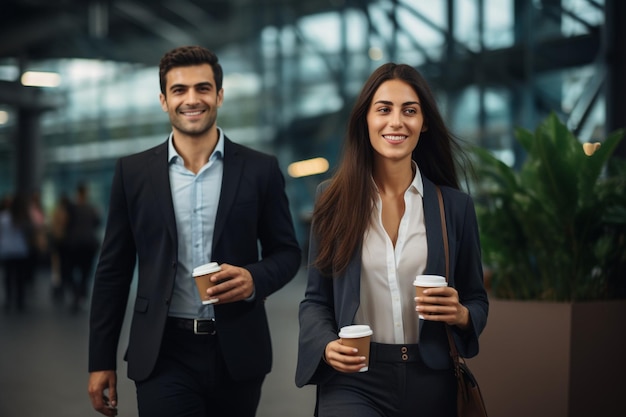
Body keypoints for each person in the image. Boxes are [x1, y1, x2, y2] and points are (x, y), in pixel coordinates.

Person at [87, 45, 302, 417]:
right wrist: (99, 360)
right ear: (163, 100)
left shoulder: (260, 169)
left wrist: (254, 279)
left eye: (203, 88)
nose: (192, 99)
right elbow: (113, 271)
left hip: (238, 350)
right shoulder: (133, 174)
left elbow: (287, 252)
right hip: (162, 351)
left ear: (219, 95)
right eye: (179, 90)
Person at [295, 63, 488, 417]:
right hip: (354, 377)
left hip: (432, 377)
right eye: (383, 109)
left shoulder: (454, 207)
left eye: (409, 110)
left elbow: (476, 298)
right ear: (365, 119)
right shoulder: (332, 200)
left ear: (424, 122)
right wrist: (325, 344)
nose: (396, 122)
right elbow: (315, 301)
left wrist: (460, 314)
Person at [63, 183, 101, 313]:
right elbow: (97, 223)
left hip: (74, 244)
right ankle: (81, 294)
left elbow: (66, 224)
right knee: (85, 272)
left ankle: (77, 294)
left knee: (70, 271)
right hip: (89, 245)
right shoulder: (92, 208)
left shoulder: (72, 208)